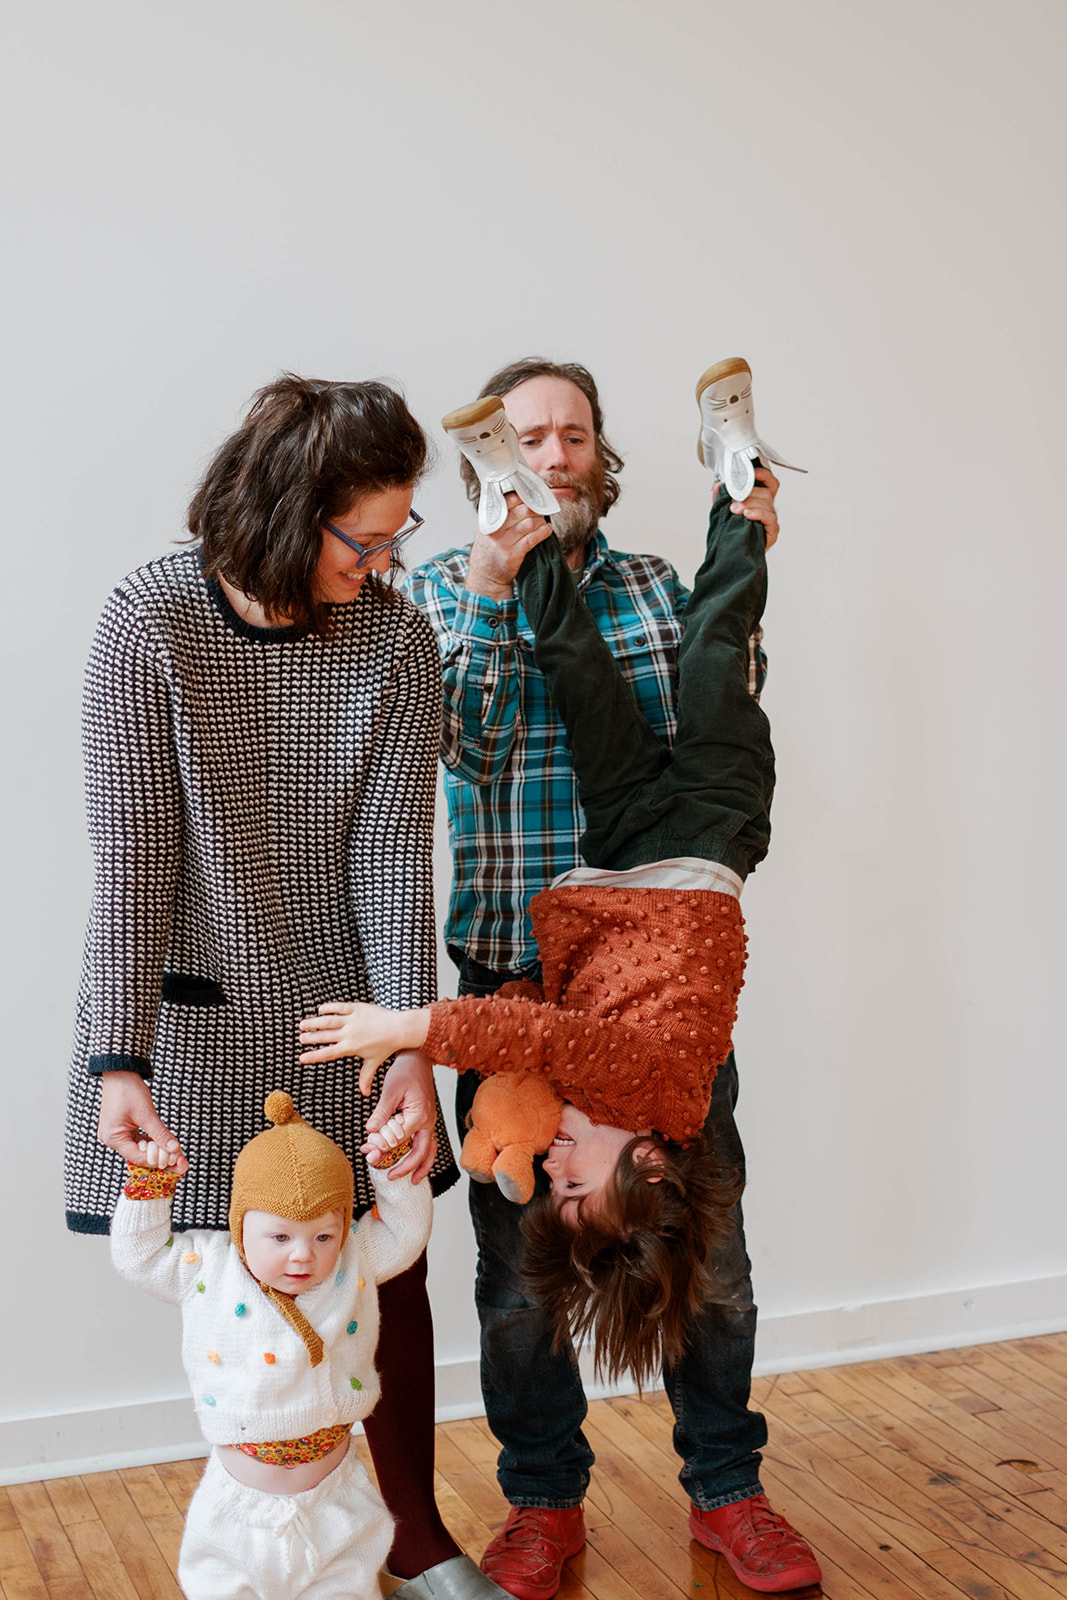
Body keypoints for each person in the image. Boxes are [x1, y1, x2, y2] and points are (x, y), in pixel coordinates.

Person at [65, 375, 500, 1600]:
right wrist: (120, 1056)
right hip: (194, 1011)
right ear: (285, 510)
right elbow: (136, 850)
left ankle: (410, 1538)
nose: (384, 558)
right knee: (235, 1270)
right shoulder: (148, 621)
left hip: (348, 1007)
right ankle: (254, 1547)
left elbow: (389, 849)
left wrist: (410, 1038)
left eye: (396, 533)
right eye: (364, 537)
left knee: (383, 1256)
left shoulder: (394, 636)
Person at [401, 359, 821, 1597]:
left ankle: (727, 1487)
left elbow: (696, 717)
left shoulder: (643, 586)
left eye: (569, 434)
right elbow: (458, 743)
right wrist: (493, 584)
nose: (552, 453)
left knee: (711, 1244)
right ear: (496, 462)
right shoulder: (433, 592)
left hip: (645, 974)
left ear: (596, 456)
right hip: (513, 975)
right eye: (524, 436)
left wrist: (735, 575)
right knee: (515, 1270)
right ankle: (540, 1500)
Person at [298, 473, 771, 1405]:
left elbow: (536, 1012)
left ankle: (517, 518)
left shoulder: (592, 1104)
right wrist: (412, 1029)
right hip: (710, 828)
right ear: (644, 1161)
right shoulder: (659, 1091)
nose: (552, 1171)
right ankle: (732, 488)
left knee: (573, 665)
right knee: (714, 648)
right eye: (574, 1185)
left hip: (618, 848)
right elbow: (550, 1036)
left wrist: (503, 1039)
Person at [111, 1091, 430, 1598]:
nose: (303, 1256)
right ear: (241, 1226)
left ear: (343, 1228)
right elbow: (138, 1257)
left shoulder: (356, 1261)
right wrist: (151, 1187)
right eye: (279, 1238)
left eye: (323, 1236)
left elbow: (407, 1230)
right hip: (236, 1514)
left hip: (337, 1504)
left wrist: (391, 1166)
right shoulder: (208, 1268)